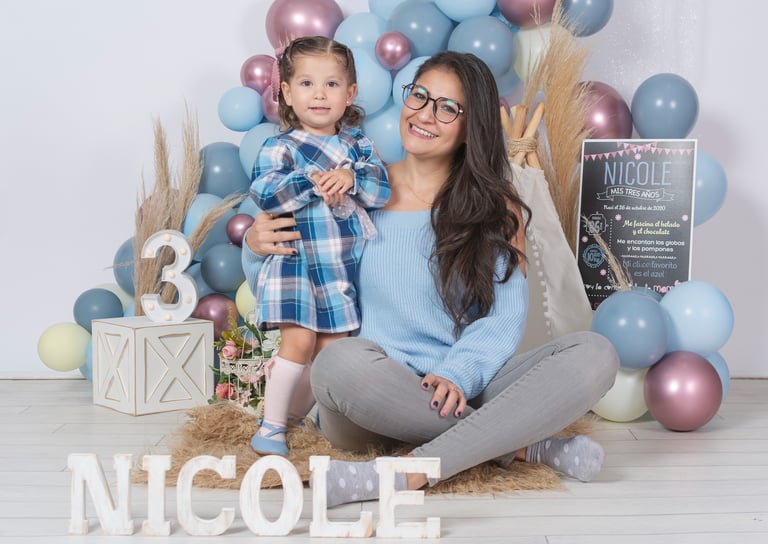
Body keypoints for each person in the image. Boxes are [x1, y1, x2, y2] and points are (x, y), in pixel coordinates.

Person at [243, 51, 619, 506]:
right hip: (371, 393)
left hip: (461, 388)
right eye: (420, 96)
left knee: (594, 352)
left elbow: (504, 317)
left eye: (447, 107)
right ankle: (519, 445)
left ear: (470, 126)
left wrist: (457, 373)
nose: (425, 115)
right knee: (337, 361)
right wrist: (255, 245)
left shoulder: (495, 210)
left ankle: (408, 473)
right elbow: (299, 276)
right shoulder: (356, 190)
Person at [244, 36, 391, 456]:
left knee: (333, 355)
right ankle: (270, 427)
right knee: (299, 342)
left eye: (331, 84)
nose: (320, 94)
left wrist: (352, 179)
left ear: (350, 94)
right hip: (296, 264)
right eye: (307, 84)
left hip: (339, 269)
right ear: (287, 92)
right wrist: (314, 182)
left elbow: (381, 190)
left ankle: (312, 420)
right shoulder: (280, 147)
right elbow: (267, 193)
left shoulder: (357, 146)